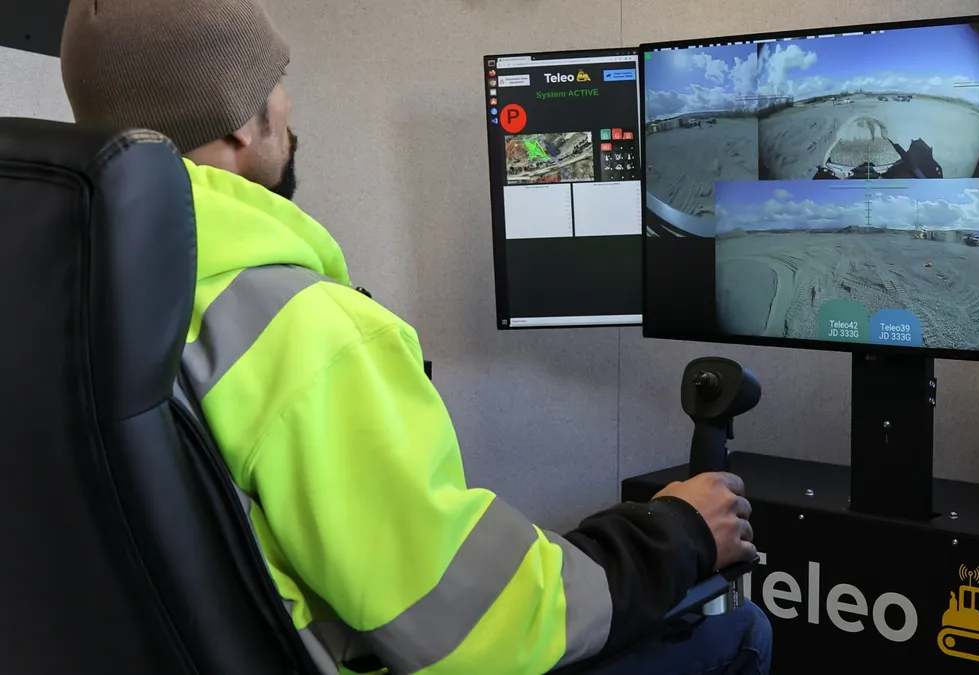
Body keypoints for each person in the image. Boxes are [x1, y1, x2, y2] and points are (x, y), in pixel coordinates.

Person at [59, 1, 772, 674]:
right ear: (240, 120)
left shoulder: (76, 294)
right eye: (276, 81)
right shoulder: (307, 331)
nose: (288, 102)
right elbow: (473, 625)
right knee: (738, 631)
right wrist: (677, 531)